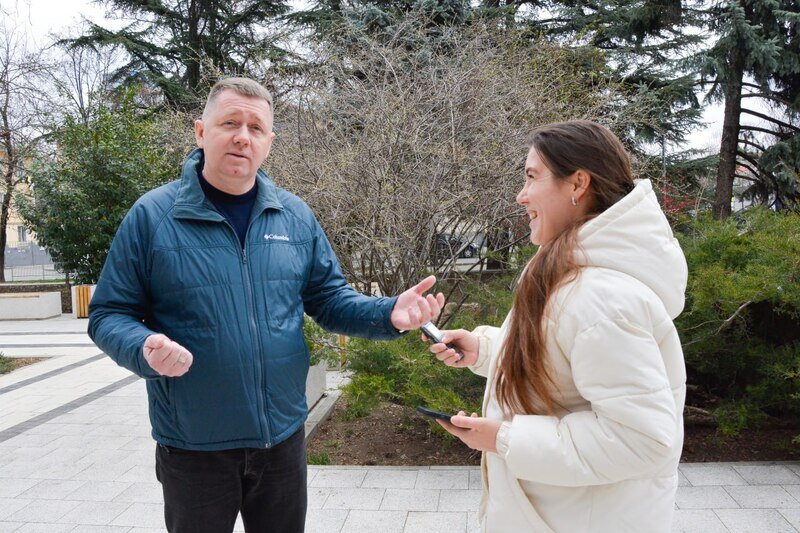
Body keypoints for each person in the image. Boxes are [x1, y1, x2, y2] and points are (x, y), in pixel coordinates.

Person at [88, 77, 444, 533]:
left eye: (256, 127)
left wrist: (387, 313)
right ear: (201, 132)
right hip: (194, 445)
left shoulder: (294, 216)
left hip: (282, 440)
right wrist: (143, 347)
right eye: (230, 122)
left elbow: (329, 299)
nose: (243, 135)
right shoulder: (152, 217)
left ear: (269, 142)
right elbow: (108, 314)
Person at [428, 120, 687, 532]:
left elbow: (643, 439)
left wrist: (504, 438)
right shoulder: (568, 270)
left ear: (577, 184)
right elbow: (566, 358)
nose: (521, 195)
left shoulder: (601, 296)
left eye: (532, 177)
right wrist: (488, 350)